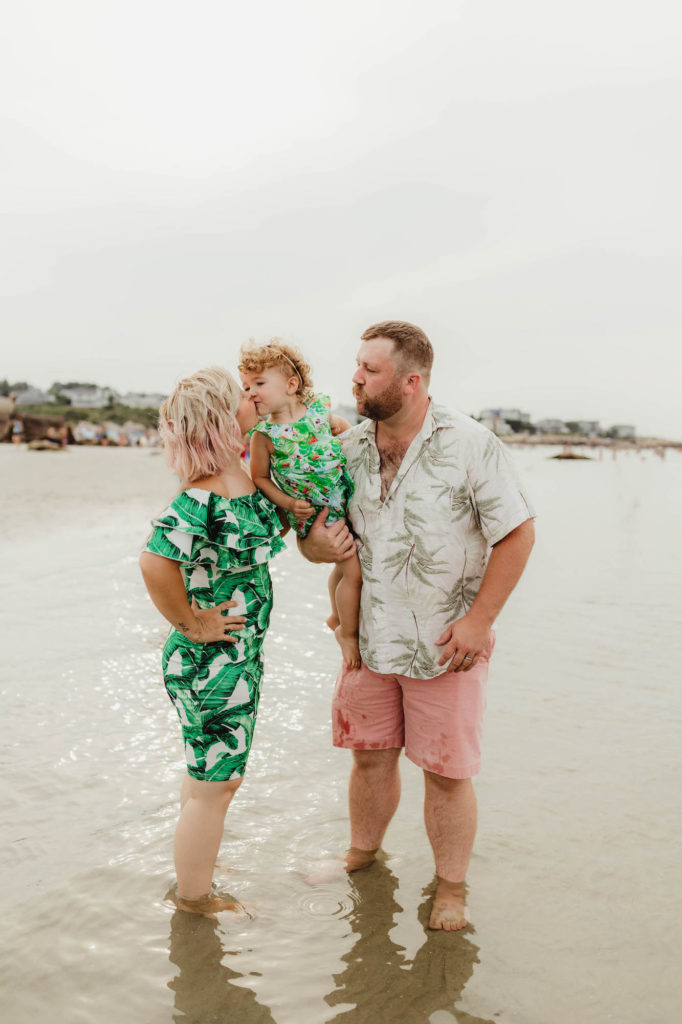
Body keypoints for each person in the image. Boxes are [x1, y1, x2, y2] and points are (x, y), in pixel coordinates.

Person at [300, 321, 535, 931]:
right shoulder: (346, 449)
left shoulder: (471, 443)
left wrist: (480, 622)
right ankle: (362, 854)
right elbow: (316, 542)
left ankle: (451, 888)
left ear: (412, 381)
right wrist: (318, 547)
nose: (354, 377)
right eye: (356, 365)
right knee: (369, 759)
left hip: (447, 643)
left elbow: (517, 533)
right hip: (368, 642)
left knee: (447, 774)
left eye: (369, 370)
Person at [139, 367, 287, 915]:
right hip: (208, 661)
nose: (254, 400)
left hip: (236, 658)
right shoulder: (199, 499)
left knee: (209, 777)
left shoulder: (243, 480)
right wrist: (192, 623)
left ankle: (195, 861)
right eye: (242, 398)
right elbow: (155, 563)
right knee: (215, 784)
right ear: (221, 422)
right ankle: (194, 899)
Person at [238, 340, 363, 669]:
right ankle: (348, 634)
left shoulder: (321, 413)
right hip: (314, 513)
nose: (251, 392)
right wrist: (290, 504)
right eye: (246, 386)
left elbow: (348, 438)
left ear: (292, 385)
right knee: (353, 571)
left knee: (343, 568)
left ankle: (337, 615)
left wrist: (347, 432)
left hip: (343, 501)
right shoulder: (264, 435)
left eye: (259, 384)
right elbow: (261, 479)